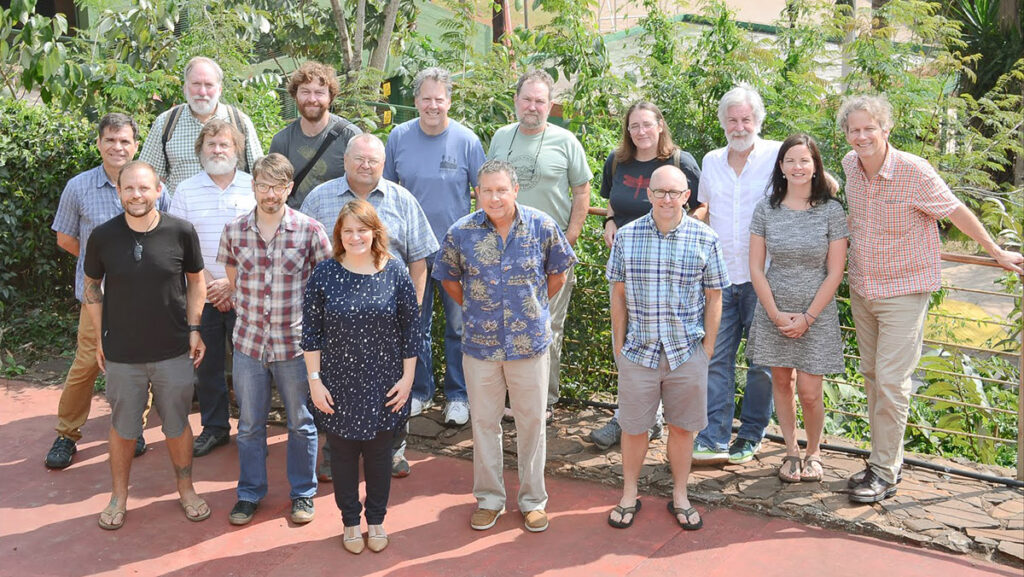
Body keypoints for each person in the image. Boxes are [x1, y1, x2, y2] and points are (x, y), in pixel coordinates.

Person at [838, 95, 1024, 502]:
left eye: (870, 128)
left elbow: (955, 211)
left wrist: (995, 251)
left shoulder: (914, 171)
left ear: (886, 130)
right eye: (855, 129)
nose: (862, 136)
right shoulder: (851, 166)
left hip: (904, 290)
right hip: (863, 287)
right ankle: (881, 460)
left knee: (891, 381)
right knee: (872, 377)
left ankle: (885, 473)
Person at [433, 159, 577, 533]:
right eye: (486, 190)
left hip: (529, 344)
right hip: (480, 347)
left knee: (532, 424)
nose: (494, 197)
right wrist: (476, 305)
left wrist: (531, 307)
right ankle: (489, 499)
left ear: (515, 190)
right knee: (483, 424)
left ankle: (532, 501)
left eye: (501, 190)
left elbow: (559, 272)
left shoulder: (542, 225)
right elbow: (448, 278)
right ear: (476, 193)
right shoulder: (460, 232)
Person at [301, 133, 438, 478]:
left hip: (388, 315)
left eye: (373, 160)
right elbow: (302, 255)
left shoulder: (402, 200)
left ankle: (394, 449)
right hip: (338, 318)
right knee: (338, 385)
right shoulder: (319, 198)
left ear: (383, 164)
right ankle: (334, 453)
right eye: (359, 159)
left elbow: (419, 259)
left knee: (394, 386)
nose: (365, 165)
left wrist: (414, 310)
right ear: (345, 161)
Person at [83, 161, 209, 530]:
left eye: (144, 188)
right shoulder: (103, 236)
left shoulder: (181, 232)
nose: (136, 195)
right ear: (119, 191)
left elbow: (197, 282)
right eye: (129, 189)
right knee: (123, 427)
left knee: (177, 424)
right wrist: (99, 337)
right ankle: (118, 496)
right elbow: (92, 288)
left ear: (158, 190)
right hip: (122, 353)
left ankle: (186, 490)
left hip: (173, 350)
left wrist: (194, 328)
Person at [606, 165, 727, 531]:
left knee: (682, 428)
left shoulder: (705, 239)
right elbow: (619, 295)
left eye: (674, 192)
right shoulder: (627, 237)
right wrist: (618, 346)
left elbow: (715, 296)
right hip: (638, 351)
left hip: (686, 351)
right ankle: (629, 493)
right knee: (633, 427)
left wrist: (706, 350)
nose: (667, 199)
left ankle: (680, 495)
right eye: (660, 192)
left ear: (686, 196)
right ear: (649, 195)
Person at [217, 153, 332, 525]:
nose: (270, 193)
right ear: (253, 186)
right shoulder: (234, 230)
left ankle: (303, 493)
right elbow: (232, 274)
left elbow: (325, 284)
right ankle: (249, 493)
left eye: (278, 186)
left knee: (301, 422)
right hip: (248, 345)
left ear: (289, 188)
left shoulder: (310, 231)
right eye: (263, 185)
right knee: (250, 424)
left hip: (295, 346)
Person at [46, 113, 164, 469]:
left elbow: (165, 233)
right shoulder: (79, 187)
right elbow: (65, 238)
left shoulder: (155, 186)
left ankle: (134, 429)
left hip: (143, 299)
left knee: (138, 364)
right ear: (99, 143)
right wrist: (107, 261)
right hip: (97, 296)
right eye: (110, 140)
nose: (117, 147)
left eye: (125, 140)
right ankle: (66, 434)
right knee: (86, 364)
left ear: (136, 145)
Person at [302, 200, 419, 554]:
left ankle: (378, 520)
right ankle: (350, 522)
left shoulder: (395, 271)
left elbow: (411, 328)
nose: (355, 237)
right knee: (342, 456)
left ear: (375, 232)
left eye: (362, 230)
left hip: (385, 383)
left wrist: (408, 379)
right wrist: (315, 381)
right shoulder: (323, 274)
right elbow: (311, 334)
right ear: (339, 234)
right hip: (336, 384)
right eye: (348, 230)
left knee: (381, 456)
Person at [588, 101, 702, 450]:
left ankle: (656, 418)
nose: (641, 132)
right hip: (628, 266)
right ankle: (632, 414)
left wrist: (684, 239)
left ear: (660, 126)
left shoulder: (680, 162)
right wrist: (609, 221)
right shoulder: (617, 161)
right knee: (624, 338)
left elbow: (700, 204)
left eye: (647, 124)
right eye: (634, 125)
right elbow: (612, 202)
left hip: (670, 270)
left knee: (669, 340)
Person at [383, 66, 486, 426]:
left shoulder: (467, 141)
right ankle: (420, 392)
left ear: (449, 101)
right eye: (426, 99)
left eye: (439, 99)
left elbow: (484, 196)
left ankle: (457, 396)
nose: (432, 106)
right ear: (415, 102)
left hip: (455, 252)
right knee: (415, 325)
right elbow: (386, 193)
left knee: (459, 327)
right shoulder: (398, 137)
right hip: (412, 254)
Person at [488, 70, 593, 420]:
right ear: (516, 101)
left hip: (549, 252)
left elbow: (582, 191)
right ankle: (509, 400)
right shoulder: (501, 138)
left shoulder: (566, 142)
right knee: (506, 323)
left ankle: (543, 402)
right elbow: (488, 188)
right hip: (504, 250)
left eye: (540, 101)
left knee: (547, 327)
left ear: (550, 106)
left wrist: (570, 237)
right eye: (527, 99)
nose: (533, 107)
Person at [746, 134, 848, 483]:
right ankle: (791, 451)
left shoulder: (832, 211)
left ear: (815, 166)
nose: (798, 167)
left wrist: (808, 317)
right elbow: (756, 268)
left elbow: (836, 271)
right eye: (791, 160)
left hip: (815, 313)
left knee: (809, 390)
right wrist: (774, 314)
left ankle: (814, 451)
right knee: (781, 382)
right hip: (774, 310)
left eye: (805, 160)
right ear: (781, 166)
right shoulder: (765, 209)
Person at [691, 84, 779, 466]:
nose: (739, 126)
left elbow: (811, 182)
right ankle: (713, 436)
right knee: (715, 358)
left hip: (766, 277)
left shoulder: (778, 154)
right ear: (723, 123)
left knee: (761, 363)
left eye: (746, 119)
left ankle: (751, 434)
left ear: (758, 121)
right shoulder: (711, 160)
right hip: (720, 278)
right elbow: (705, 209)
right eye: (732, 120)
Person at [168, 119, 256, 458]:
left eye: (225, 145)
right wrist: (209, 284)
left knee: (250, 368)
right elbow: (177, 246)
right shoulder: (186, 191)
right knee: (207, 365)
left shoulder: (253, 187)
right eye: (211, 145)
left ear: (237, 151)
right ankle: (215, 427)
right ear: (200, 151)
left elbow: (265, 242)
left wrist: (231, 285)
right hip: (200, 293)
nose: (218, 150)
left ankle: (251, 430)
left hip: (246, 293)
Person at [139, 56, 263, 195]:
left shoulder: (239, 122)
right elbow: (149, 178)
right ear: (185, 88)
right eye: (196, 84)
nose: (202, 92)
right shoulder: (166, 123)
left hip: (232, 213)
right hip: (180, 214)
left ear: (220, 90)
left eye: (209, 85)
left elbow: (259, 174)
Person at [270, 60, 362, 209]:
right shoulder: (282, 141)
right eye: (305, 92)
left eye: (319, 93)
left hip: (340, 223)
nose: (312, 99)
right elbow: (273, 191)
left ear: (330, 97)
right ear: (295, 95)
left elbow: (365, 186)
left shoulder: (350, 136)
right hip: (298, 224)